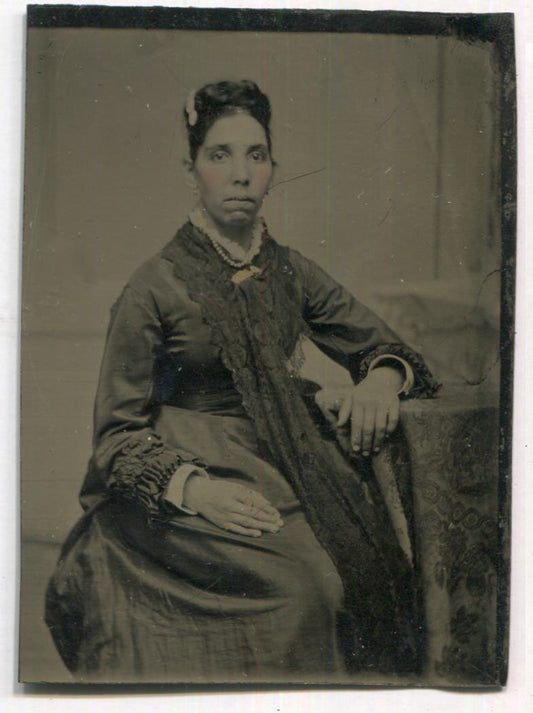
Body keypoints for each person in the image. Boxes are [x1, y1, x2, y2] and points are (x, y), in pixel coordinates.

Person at [45, 80, 439, 683]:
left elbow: (383, 345)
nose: (240, 175)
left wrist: (382, 381)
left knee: (361, 579)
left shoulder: (288, 269)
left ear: (273, 169)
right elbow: (116, 436)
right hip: (189, 484)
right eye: (220, 155)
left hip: (289, 462)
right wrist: (196, 491)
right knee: (301, 596)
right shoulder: (153, 286)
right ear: (192, 169)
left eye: (255, 156)